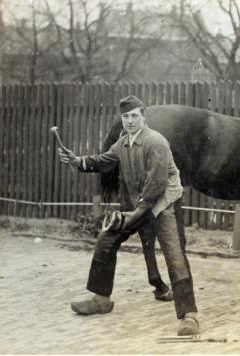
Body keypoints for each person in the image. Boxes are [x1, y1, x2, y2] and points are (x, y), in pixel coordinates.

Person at [58, 95, 200, 335]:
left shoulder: (156, 142)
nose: (130, 120)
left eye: (135, 115)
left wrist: (134, 215)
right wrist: (78, 161)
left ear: (144, 116)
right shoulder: (123, 143)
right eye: (126, 116)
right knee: (107, 237)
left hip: (164, 204)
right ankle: (101, 299)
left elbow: (156, 185)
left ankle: (190, 316)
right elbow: (105, 161)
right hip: (140, 204)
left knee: (174, 254)